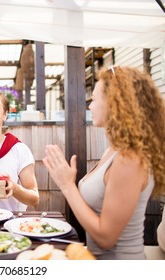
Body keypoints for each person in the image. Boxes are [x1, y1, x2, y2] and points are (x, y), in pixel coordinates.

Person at [43, 66, 165, 259]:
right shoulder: (114, 150)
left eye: (95, 99)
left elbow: (105, 237)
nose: (90, 106)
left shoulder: (130, 160)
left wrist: (67, 185)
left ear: (115, 104)